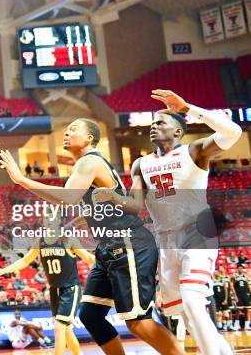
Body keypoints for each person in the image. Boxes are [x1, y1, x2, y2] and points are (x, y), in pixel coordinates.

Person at [0, 118, 184, 355]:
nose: (67, 134)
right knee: (90, 315)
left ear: (89, 138)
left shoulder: (90, 161)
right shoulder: (85, 166)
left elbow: (68, 198)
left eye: (73, 129)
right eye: (65, 131)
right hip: (109, 246)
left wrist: (22, 180)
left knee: (137, 322)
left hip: (127, 242)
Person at [96, 90, 242, 355]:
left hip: (198, 232)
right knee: (186, 314)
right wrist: (111, 197)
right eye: (153, 124)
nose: (154, 126)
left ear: (178, 132)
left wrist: (188, 107)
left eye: (162, 123)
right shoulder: (141, 163)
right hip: (165, 240)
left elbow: (232, 132)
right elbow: (135, 205)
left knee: (193, 302)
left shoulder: (194, 152)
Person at [0, 220, 94, 355]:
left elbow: (88, 258)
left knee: (59, 328)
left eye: (53, 220)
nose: (50, 223)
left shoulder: (68, 239)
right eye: (47, 220)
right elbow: (25, 261)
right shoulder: (40, 241)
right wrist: (3, 270)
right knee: (67, 330)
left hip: (69, 289)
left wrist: (107, 264)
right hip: (54, 290)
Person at [233, 265, 250, 330]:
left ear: (243, 269)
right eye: (239, 268)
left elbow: (248, 286)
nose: (240, 269)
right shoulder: (235, 276)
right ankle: (237, 325)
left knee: (247, 310)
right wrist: (235, 295)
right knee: (238, 310)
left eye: (241, 268)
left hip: (245, 294)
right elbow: (232, 287)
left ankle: (247, 325)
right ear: (237, 269)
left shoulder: (245, 276)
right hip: (238, 294)